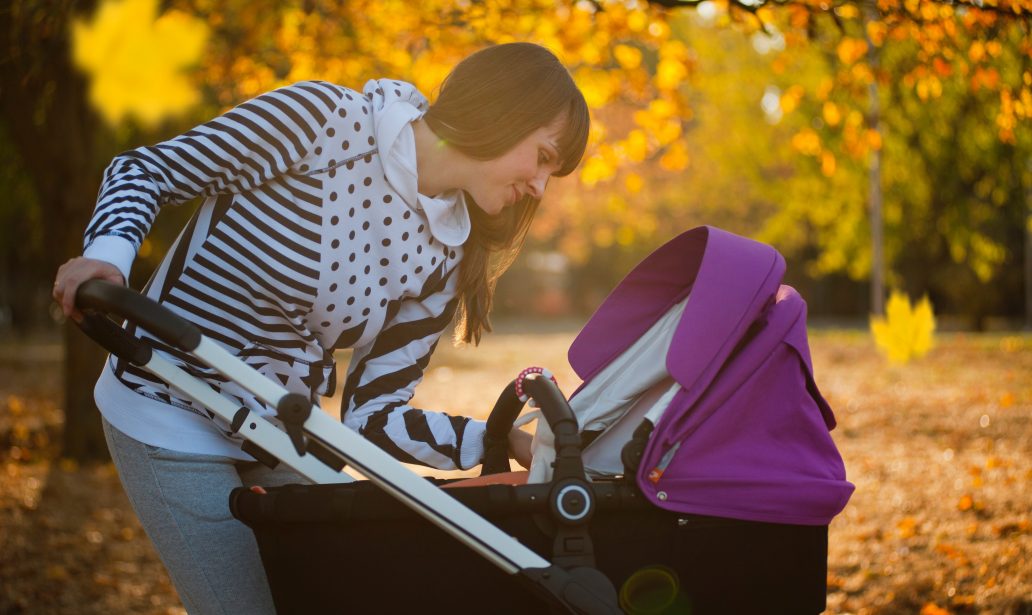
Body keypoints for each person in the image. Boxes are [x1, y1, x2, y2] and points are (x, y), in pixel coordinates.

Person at [52, 42, 590, 614]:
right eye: (543, 157)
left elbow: (373, 418)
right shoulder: (322, 123)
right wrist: (107, 256)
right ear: (502, 112)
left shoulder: (449, 255)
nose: (539, 187)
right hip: (168, 401)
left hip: (278, 429)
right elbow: (149, 170)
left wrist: (499, 437)